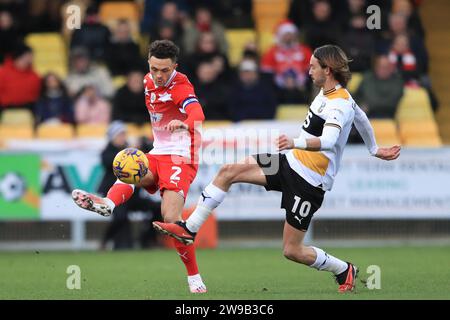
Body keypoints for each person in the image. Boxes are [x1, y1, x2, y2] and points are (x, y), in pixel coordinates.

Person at [153, 45, 401, 293]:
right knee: (228, 171)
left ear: (328, 69)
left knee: (292, 250)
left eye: (313, 66)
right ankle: (190, 229)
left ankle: (343, 269)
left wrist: (295, 142)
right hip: (289, 163)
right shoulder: (333, 93)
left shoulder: (338, 105)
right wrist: (374, 148)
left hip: (309, 182)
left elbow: (328, 141)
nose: (309, 69)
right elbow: (362, 118)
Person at [71, 40, 207, 293]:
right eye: (154, 68)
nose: (159, 75)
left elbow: (198, 114)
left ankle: (194, 277)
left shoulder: (180, 85)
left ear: (174, 67)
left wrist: (186, 123)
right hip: (159, 152)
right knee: (128, 163)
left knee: (172, 219)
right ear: (149, 64)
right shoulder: (146, 81)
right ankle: (108, 204)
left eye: (165, 70)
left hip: (181, 157)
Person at [97, 121, 162, 250]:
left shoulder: (130, 150)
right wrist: (133, 150)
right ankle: (105, 241)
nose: (122, 137)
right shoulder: (108, 152)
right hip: (116, 196)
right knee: (121, 217)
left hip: (132, 196)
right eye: (119, 135)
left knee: (157, 208)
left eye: (123, 134)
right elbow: (110, 162)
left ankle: (147, 239)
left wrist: (140, 147)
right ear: (112, 137)